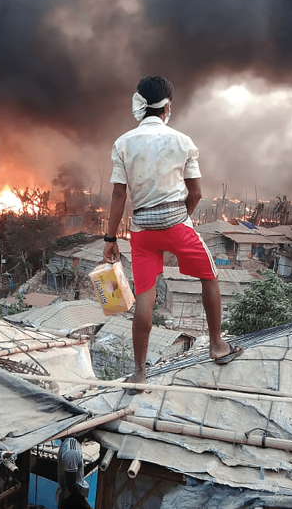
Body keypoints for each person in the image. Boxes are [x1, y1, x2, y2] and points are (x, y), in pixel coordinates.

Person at [103, 76, 243, 391]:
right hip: (176, 224)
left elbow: (118, 197)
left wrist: (110, 239)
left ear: (139, 105)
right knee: (210, 277)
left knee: (144, 296)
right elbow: (195, 194)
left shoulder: (123, 143)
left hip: (141, 231)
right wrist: (180, 220)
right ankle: (217, 345)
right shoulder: (183, 141)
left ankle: (139, 373)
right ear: (168, 106)